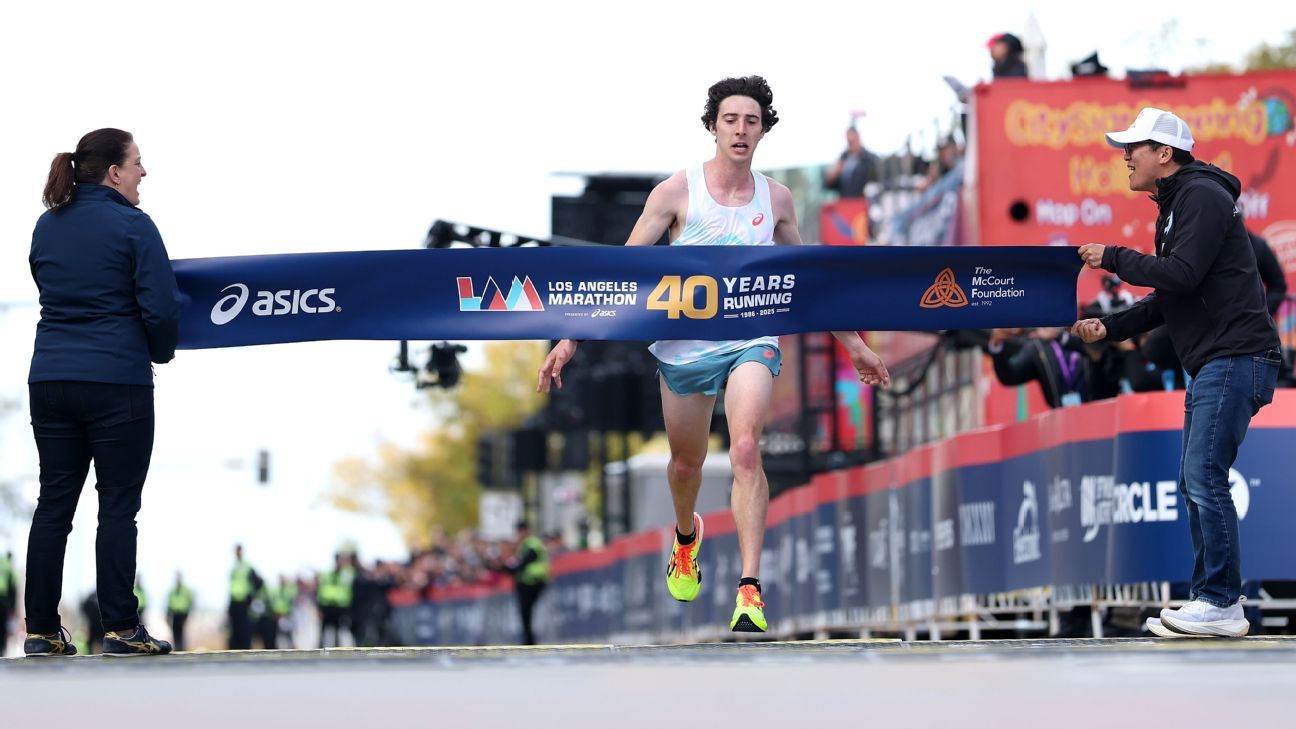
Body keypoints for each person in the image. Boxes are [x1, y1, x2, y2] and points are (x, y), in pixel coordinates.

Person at [537, 76, 890, 633]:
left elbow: (808, 281)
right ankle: (686, 536)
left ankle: (749, 589)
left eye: (752, 121)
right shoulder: (676, 193)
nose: (742, 130)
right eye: (731, 120)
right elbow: (620, 275)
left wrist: (855, 345)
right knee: (687, 464)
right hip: (684, 345)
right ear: (712, 127)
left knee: (747, 447)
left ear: (763, 129)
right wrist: (570, 338)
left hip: (752, 336)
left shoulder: (776, 199)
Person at [1074, 107, 1280, 638]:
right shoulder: (1176, 203)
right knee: (1195, 482)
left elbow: (1181, 276)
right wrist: (1110, 327)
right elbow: (1171, 294)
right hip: (1219, 360)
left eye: (1133, 147)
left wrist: (1114, 257)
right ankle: (1210, 601)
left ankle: (1221, 602)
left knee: (1203, 478)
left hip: (1235, 358)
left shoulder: (1201, 196)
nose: (1124, 156)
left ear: (1164, 154)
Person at [23, 128, 179, 657]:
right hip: (117, 382)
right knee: (116, 507)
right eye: (137, 163)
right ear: (114, 172)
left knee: (53, 505)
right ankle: (119, 627)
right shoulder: (135, 227)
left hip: (49, 380)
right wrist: (158, 351)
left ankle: (41, 630)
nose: (143, 172)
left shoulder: (46, 227)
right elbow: (160, 307)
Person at [504, 520, 549, 645]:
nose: (519, 534)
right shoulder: (524, 544)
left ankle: (529, 640)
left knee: (527, 611)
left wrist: (513, 569)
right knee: (525, 612)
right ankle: (528, 639)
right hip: (527, 583)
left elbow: (525, 561)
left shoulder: (532, 543)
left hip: (533, 583)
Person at [229, 543, 262, 649]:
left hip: (244, 601)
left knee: (245, 629)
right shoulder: (233, 568)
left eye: (239, 550)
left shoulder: (247, 567)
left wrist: (252, 596)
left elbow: (258, 583)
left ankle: (245, 650)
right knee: (235, 629)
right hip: (234, 601)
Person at [824, 127, 873, 198]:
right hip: (845, 202)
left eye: (852, 141)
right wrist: (834, 175)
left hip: (862, 202)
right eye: (849, 142)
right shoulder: (842, 159)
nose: (851, 144)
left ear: (858, 138)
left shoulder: (869, 159)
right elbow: (830, 186)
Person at [166, 572, 194, 652]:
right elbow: (169, 603)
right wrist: (168, 615)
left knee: (182, 632)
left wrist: (187, 614)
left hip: (182, 614)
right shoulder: (172, 590)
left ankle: (182, 648)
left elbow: (189, 602)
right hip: (174, 614)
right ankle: (177, 648)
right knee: (175, 632)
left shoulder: (186, 590)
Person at [0, 551, 16, 657]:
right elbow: (12, 588)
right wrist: (12, 607)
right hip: (3, 601)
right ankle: (1, 650)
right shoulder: (8, 566)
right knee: (2, 628)